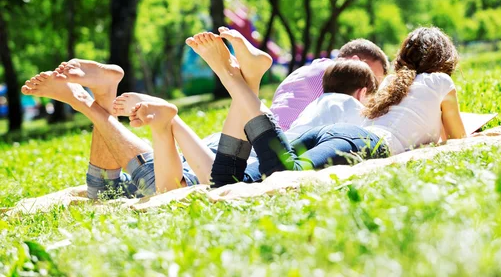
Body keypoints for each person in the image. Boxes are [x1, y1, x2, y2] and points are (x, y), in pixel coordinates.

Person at [182, 26, 466, 187]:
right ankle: (233, 79)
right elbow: (457, 141)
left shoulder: (392, 83)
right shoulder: (440, 82)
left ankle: (249, 78)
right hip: (363, 142)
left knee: (227, 180)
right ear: (445, 61)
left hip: (338, 133)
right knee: (286, 177)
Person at [21, 60, 202, 199]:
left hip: (197, 157)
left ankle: (100, 95)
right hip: (199, 164)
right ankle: (84, 100)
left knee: (102, 191)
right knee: (165, 189)